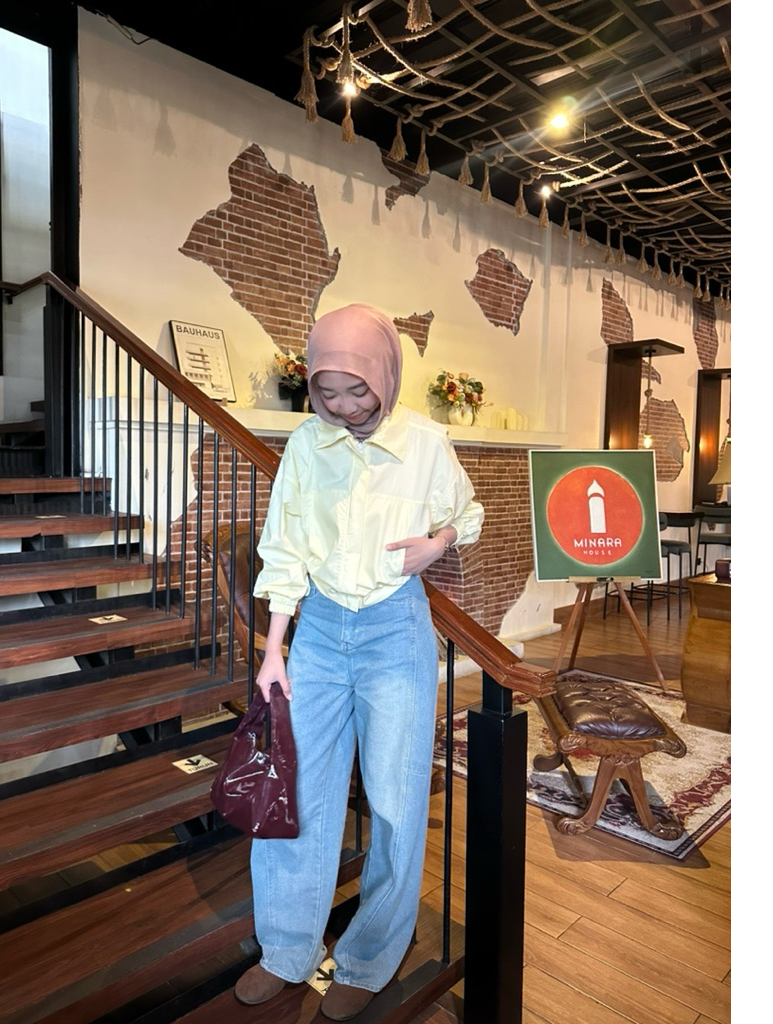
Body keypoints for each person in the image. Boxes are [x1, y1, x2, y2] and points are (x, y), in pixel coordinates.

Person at [233, 303, 484, 1020]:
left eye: (357, 390)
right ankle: (285, 950)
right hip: (317, 632)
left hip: (394, 631)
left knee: (397, 804)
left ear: (386, 374)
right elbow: (285, 549)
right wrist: (274, 647)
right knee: (298, 793)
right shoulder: (306, 446)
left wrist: (437, 543)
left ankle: (370, 957)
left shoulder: (425, 441)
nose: (343, 406)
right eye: (327, 391)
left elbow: (466, 514)